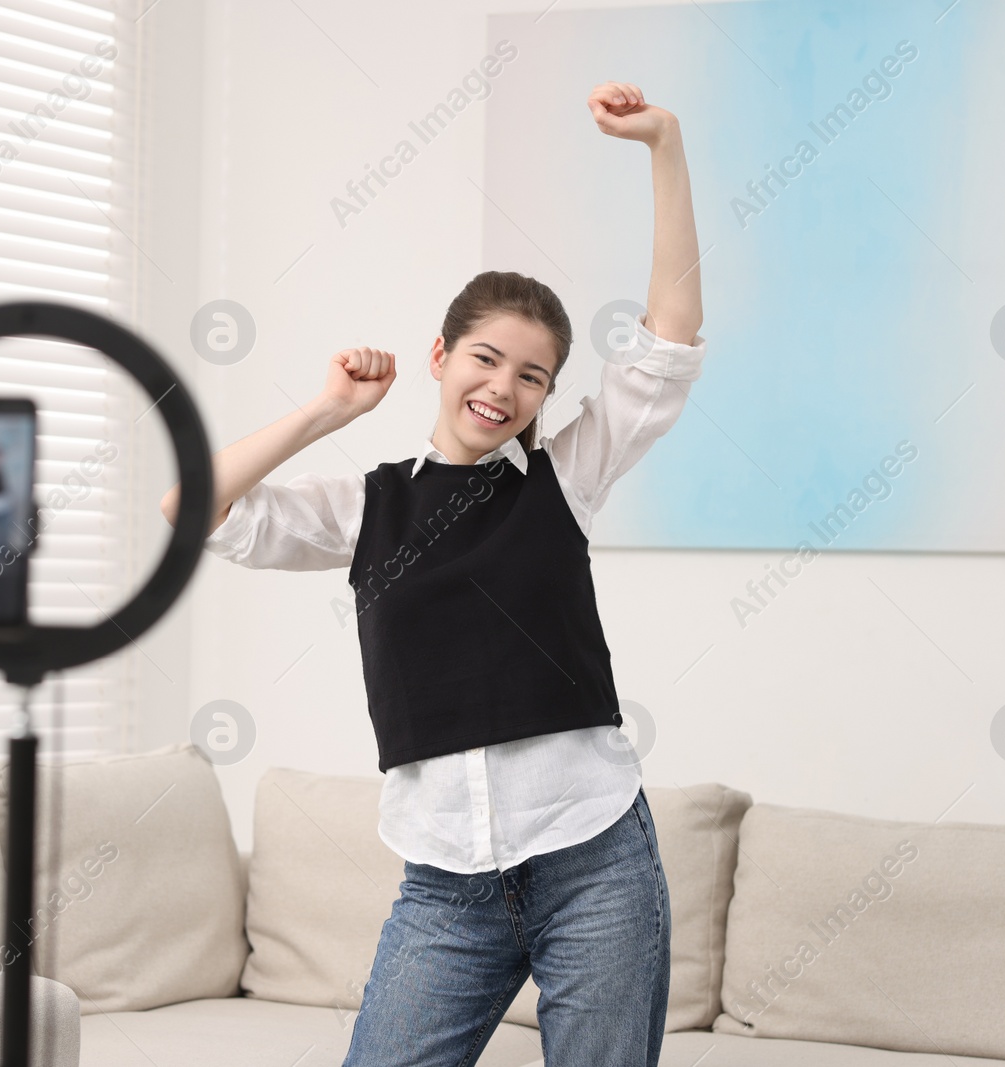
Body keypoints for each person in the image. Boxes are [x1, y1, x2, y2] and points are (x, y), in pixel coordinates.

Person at [162, 81, 705, 1067]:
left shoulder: (563, 479)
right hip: (445, 882)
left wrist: (662, 145)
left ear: (545, 395)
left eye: (531, 375)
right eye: (486, 359)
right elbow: (190, 513)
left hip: (595, 859)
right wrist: (325, 412)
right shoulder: (368, 506)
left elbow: (666, 339)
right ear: (440, 357)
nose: (502, 387)